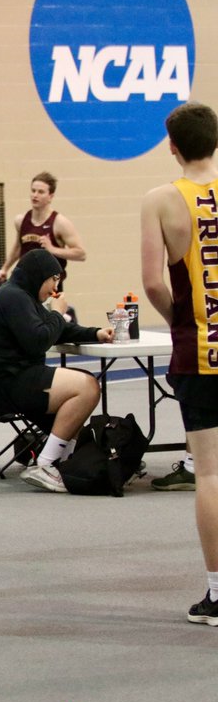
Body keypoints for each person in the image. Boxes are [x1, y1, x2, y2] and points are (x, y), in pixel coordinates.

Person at [139, 100, 218, 626]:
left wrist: (180, 324)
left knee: (210, 473)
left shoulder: (161, 200)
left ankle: (217, 590)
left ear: (173, 146)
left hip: (201, 351)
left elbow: (151, 282)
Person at [0, 249, 113, 493]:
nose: (55, 287)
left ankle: (64, 462)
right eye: (54, 279)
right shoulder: (13, 298)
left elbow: (57, 330)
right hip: (3, 386)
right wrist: (57, 312)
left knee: (82, 390)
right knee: (87, 387)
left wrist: (95, 333)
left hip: (8, 381)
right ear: (40, 276)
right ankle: (46, 464)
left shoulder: (22, 296)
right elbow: (39, 339)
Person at [0, 172, 87, 318]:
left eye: (40, 192)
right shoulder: (21, 220)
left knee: (50, 324)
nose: (35, 195)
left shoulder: (59, 223)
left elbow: (81, 253)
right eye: (33, 191)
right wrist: (5, 268)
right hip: (25, 287)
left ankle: (68, 315)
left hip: (49, 287)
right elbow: (18, 246)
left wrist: (52, 249)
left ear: (50, 196)